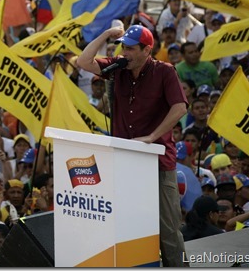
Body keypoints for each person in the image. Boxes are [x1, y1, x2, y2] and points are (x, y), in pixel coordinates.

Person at [77, 24, 188, 266]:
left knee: (168, 229)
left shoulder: (165, 72)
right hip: (125, 161)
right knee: (129, 226)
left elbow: (180, 107)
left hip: (157, 161)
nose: (124, 52)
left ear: (147, 50)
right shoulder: (118, 68)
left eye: (130, 48)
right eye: (123, 47)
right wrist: (106, 34)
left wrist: (152, 136)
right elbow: (83, 62)